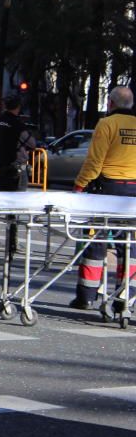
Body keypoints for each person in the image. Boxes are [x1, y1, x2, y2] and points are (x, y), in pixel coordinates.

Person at [71, 86, 136, 310]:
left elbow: (94, 161)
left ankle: (87, 296)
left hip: (108, 191)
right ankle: (125, 299)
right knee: (130, 245)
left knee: (95, 241)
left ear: (110, 103)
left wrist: (80, 185)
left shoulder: (107, 124)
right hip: (133, 194)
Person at [0, 93, 36, 252]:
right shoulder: (17, 125)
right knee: (15, 206)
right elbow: (32, 144)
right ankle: (12, 242)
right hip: (17, 168)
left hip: (2, 166)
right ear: (18, 107)